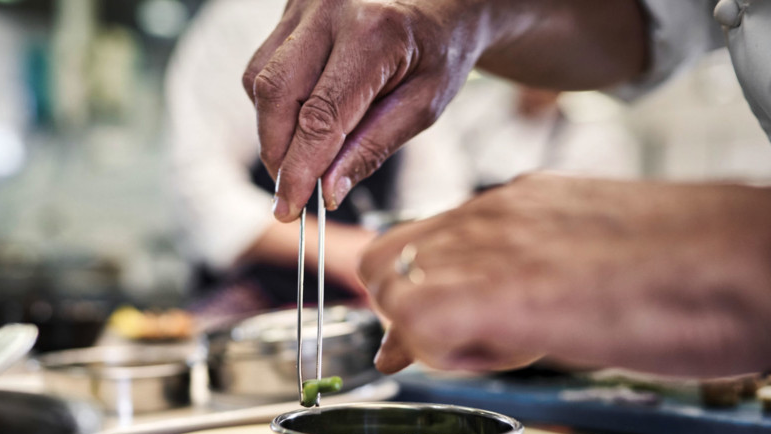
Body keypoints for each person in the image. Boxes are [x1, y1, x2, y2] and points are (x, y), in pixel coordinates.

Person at [242, 0, 771, 379]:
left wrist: (704, 250)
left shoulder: (596, 137)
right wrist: (459, 17)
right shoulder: (483, 120)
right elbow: (662, 17)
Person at [165, 0, 638, 319]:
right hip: (251, 308)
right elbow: (199, 193)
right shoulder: (234, 20)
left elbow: (435, 191)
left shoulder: (412, 21)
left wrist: (416, 260)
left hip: (363, 311)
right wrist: (351, 251)